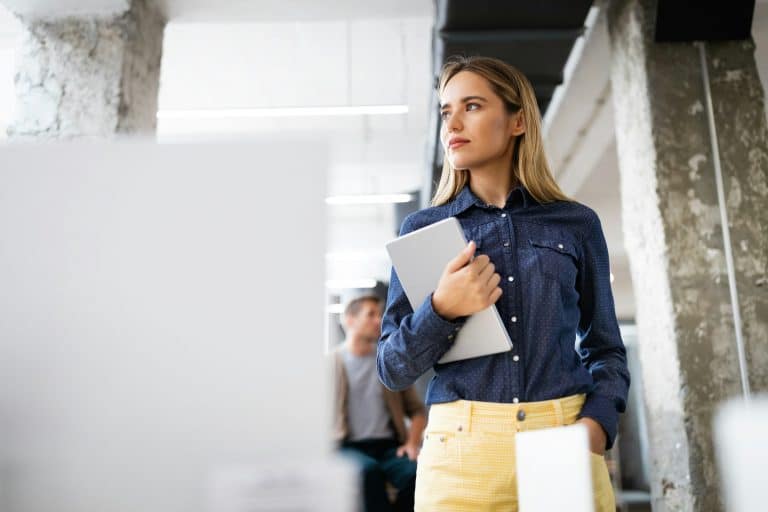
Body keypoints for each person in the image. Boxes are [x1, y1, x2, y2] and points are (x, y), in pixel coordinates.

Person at [376, 56, 631, 511]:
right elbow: (392, 368)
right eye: (445, 110)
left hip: (564, 440)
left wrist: (597, 423)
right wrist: (441, 308)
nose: (452, 121)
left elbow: (605, 347)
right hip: (460, 453)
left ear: (517, 121)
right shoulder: (422, 230)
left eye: (471, 106)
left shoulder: (575, 224)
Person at [333, 295, 427, 512]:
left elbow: (417, 411)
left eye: (379, 314)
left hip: (389, 448)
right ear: (349, 320)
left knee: (417, 474)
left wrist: (412, 444)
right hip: (348, 447)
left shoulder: (388, 363)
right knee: (368, 473)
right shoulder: (331, 364)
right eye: (371, 314)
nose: (378, 320)